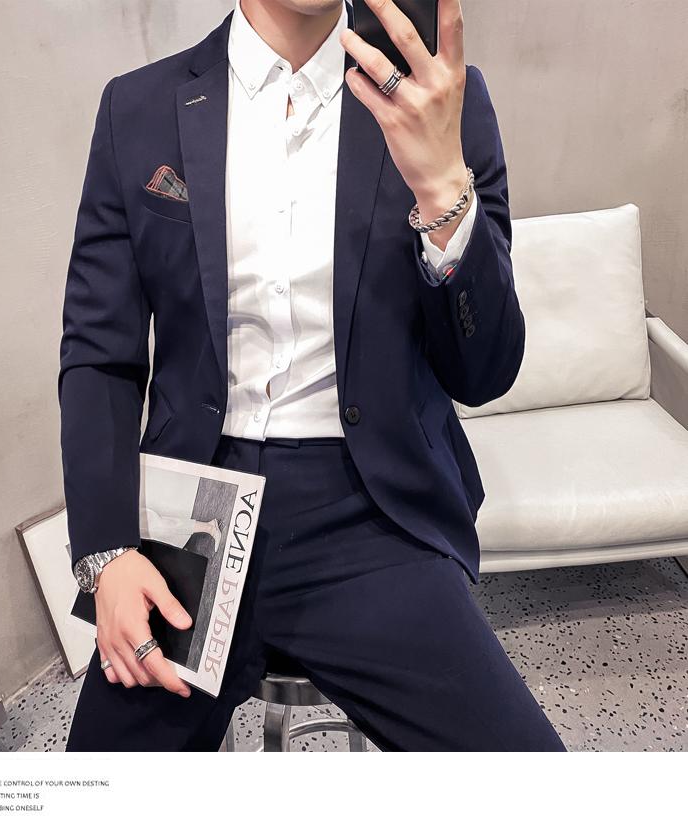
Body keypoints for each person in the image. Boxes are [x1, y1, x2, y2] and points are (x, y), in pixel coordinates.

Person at [59, 0, 567, 751]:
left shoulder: (438, 97)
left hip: (373, 511)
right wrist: (105, 554)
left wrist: (442, 193)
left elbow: (485, 371)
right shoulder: (139, 108)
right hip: (192, 510)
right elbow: (100, 352)